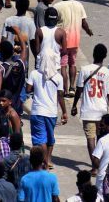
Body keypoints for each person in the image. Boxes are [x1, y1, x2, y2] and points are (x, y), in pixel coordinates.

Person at [26, 41, 68, 170]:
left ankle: (43, 162)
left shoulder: (34, 74)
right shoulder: (58, 77)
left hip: (38, 111)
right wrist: (64, 112)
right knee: (50, 138)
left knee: (40, 140)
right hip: (51, 112)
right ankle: (48, 160)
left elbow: (28, 89)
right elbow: (60, 96)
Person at [55, 0, 93, 95]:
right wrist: (88, 31)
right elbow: (84, 22)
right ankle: (72, 87)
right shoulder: (79, 5)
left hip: (62, 43)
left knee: (63, 66)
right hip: (75, 41)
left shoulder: (57, 6)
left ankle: (65, 90)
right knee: (72, 64)